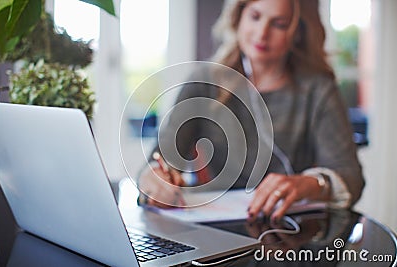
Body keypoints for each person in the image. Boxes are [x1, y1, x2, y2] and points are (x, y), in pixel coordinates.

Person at [137, 0, 365, 221]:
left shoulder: (317, 90)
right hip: (212, 227)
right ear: (238, 18)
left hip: (288, 236)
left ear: (297, 32)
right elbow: (158, 162)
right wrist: (154, 181)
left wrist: (308, 184)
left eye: (279, 24)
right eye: (255, 17)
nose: (262, 33)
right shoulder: (205, 82)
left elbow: (351, 179)